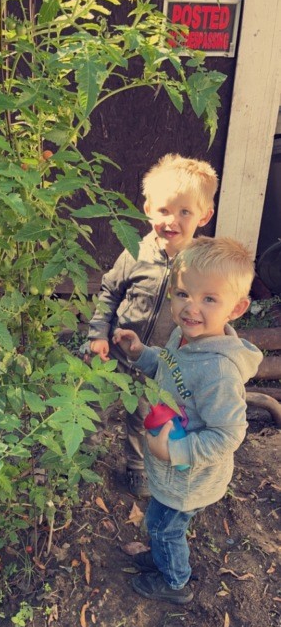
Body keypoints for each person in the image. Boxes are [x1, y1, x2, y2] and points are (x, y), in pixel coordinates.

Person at [112, 236, 263, 605]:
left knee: (165, 528)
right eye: (183, 294)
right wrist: (141, 353)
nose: (191, 308)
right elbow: (168, 368)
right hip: (171, 470)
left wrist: (175, 450)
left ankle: (175, 582)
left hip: (188, 478)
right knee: (160, 523)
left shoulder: (218, 372)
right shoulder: (185, 337)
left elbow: (228, 435)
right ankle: (163, 555)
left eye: (209, 299)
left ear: (237, 308)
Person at [87, 154, 218, 497]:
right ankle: (81, 451)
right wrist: (99, 334)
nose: (171, 220)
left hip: (159, 362)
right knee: (95, 402)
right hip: (116, 351)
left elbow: (207, 314)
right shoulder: (135, 252)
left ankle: (136, 467)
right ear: (148, 209)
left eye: (185, 212)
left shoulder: (201, 266)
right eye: (164, 210)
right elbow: (109, 293)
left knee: (144, 415)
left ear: (204, 215)